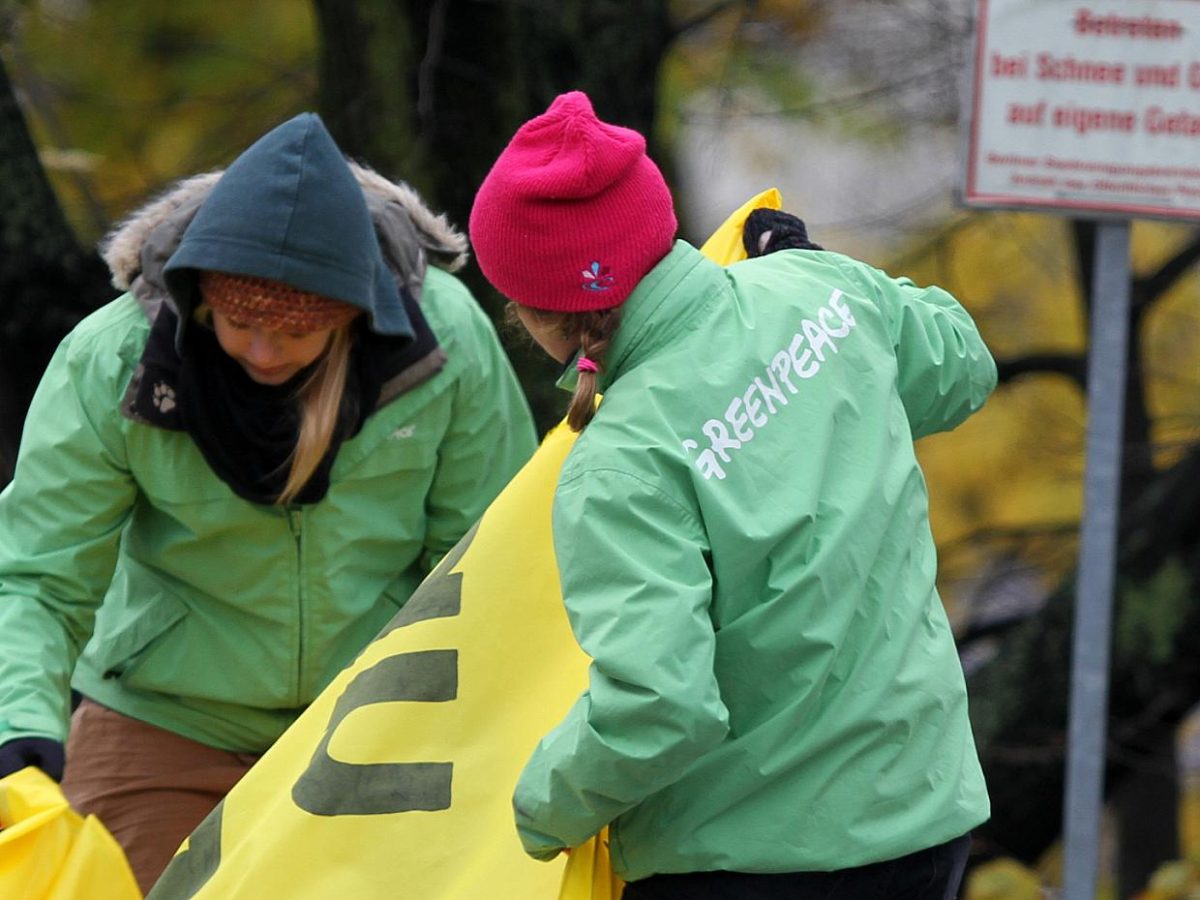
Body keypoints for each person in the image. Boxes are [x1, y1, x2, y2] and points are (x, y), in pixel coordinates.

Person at [468, 91, 996, 899]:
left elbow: (660, 709)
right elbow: (962, 367)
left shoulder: (621, 464)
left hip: (751, 858)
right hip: (921, 814)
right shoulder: (817, 289)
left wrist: (531, 809)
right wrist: (819, 282)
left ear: (538, 313)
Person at [0, 112, 536, 893]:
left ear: (354, 314)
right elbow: (39, 577)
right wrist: (21, 728)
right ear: (200, 292)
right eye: (241, 323)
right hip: (165, 716)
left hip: (376, 716)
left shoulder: (442, 344)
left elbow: (489, 563)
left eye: (295, 333)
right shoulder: (111, 360)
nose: (261, 351)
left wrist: (497, 730)